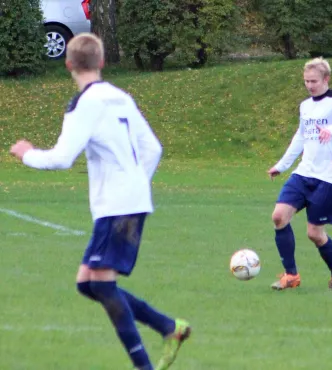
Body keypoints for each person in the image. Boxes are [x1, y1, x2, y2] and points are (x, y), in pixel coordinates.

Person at [9, 33, 190, 370]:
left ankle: (148, 360)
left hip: (118, 205)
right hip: (128, 201)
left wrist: (27, 154)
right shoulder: (121, 97)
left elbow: (62, 158)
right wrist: (136, 184)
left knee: (102, 285)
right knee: (86, 283)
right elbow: (154, 149)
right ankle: (168, 326)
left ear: (68, 65)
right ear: (102, 62)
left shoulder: (84, 104)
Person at [267, 57, 332, 290]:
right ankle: (291, 275)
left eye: (313, 81)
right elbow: (301, 136)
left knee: (315, 234)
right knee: (279, 216)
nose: (309, 85)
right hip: (304, 173)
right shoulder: (305, 105)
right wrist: (282, 165)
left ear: (326, 79)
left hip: (330, 177)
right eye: (306, 81)